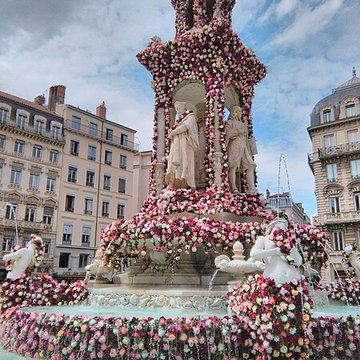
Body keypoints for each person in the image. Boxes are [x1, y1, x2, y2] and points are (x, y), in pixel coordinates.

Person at [250, 218, 302, 284]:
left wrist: (291, 248)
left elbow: (299, 262)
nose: (281, 230)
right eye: (278, 227)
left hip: (293, 281)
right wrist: (275, 251)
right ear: (272, 226)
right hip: (273, 281)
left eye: (285, 229)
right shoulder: (263, 239)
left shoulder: (288, 243)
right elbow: (253, 254)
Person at [165, 101, 199, 190]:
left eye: (179, 108)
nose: (178, 110)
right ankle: (173, 184)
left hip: (186, 144)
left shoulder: (190, 117)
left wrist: (173, 132)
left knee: (185, 164)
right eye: (176, 109)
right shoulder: (178, 121)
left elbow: (185, 127)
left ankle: (185, 185)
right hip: (177, 145)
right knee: (174, 165)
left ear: (184, 107)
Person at [225, 106, 257, 194]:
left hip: (244, 147)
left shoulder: (243, 124)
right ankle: (234, 188)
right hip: (234, 146)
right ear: (233, 112)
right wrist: (238, 131)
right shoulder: (229, 122)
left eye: (240, 111)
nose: (240, 113)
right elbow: (228, 134)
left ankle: (252, 189)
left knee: (250, 165)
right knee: (233, 166)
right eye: (238, 111)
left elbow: (246, 136)